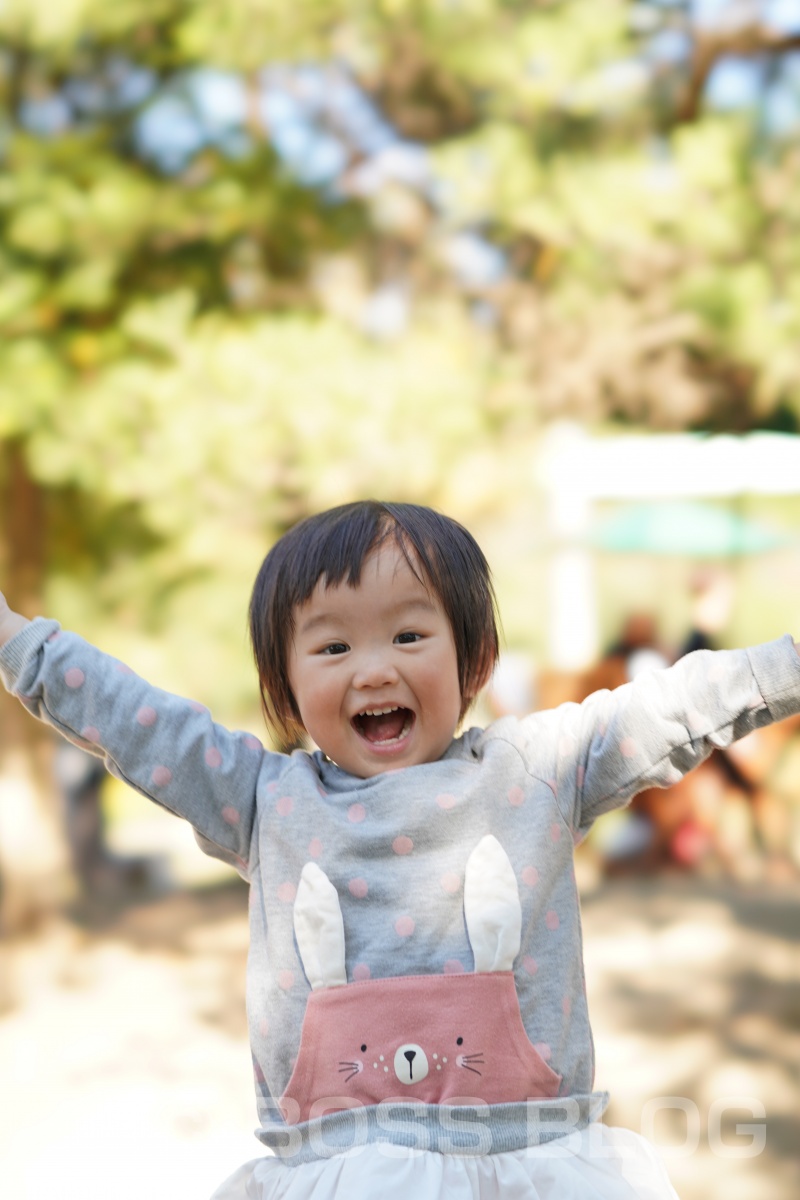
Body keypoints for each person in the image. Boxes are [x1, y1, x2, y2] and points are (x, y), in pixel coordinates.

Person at [2, 499, 800, 1200]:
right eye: (332, 649)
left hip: (524, 1163)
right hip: (336, 1168)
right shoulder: (262, 800)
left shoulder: (538, 771)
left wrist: (786, 666)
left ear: (475, 659)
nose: (374, 669)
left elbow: (676, 708)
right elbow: (133, 718)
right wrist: (18, 646)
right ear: (283, 688)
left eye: (409, 634)